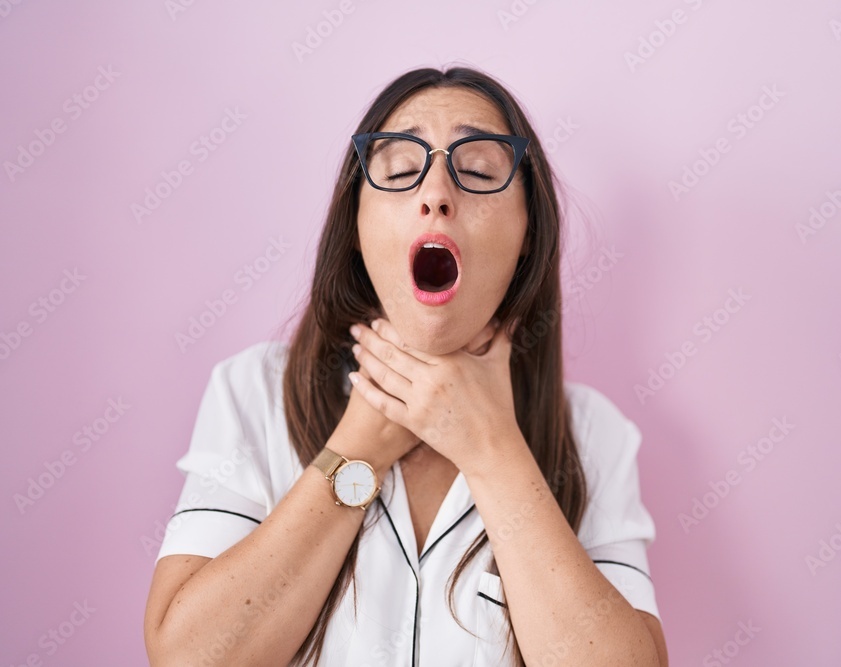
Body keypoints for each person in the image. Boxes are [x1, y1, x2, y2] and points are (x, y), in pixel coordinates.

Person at [143, 65, 668, 667]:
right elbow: (189, 657)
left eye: (477, 171)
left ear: (528, 230)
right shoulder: (252, 392)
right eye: (397, 171)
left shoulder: (595, 433)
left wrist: (492, 448)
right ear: (358, 228)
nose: (436, 194)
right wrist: (361, 445)